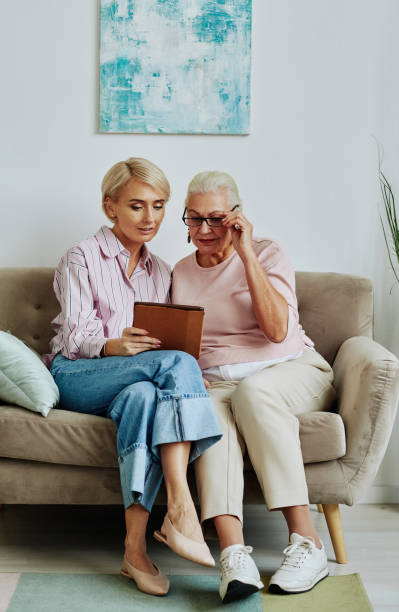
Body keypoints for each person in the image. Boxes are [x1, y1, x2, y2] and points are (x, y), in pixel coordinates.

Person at [43, 158, 222, 597]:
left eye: (159, 206)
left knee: (146, 395)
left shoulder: (161, 272)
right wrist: (112, 345)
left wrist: (184, 376)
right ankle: (181, 507)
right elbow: (73, 337)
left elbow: (163, 343)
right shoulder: (80, 258)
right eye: (137, 206)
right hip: (77, 374)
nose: (150, 218)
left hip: (134, 382)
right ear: (111, 207)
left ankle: (134, 550)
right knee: (179, 367)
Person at [171, 171, 336, 604]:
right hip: (221, 382)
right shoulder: (180, 272)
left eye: (216, 218)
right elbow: (180, 339)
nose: (204, 230)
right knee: (207, 411)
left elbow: (279, 330)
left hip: (289, 370)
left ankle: (308, 543)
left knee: (253, 393)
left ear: (238, 218)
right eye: (193, 219)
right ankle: (233, 554)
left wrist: (246, 254)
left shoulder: (267, 253)